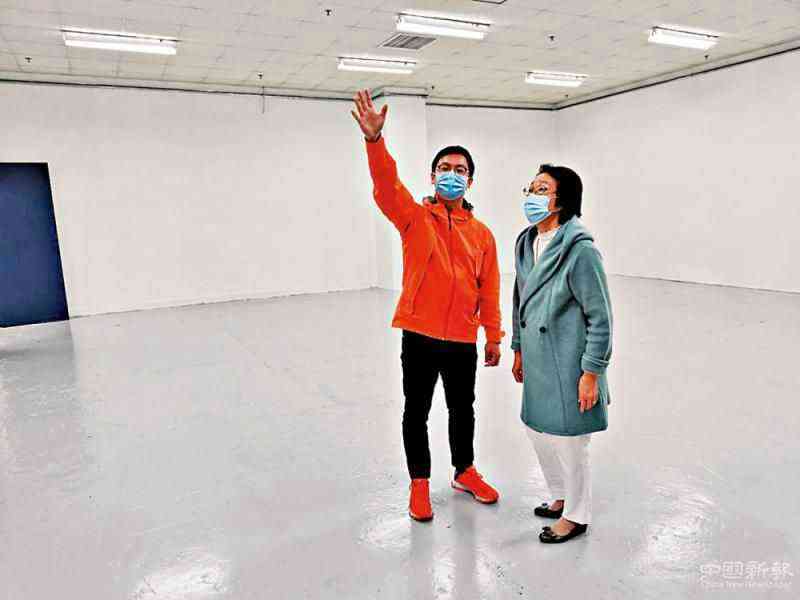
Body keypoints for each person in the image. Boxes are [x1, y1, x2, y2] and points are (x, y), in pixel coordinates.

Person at [351, 89, 504, 522]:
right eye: (445, 168)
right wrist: (374, 141)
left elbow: (489, 289)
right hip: (419, 333)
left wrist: (493, 336)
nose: (452, 175)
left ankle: (464, 471)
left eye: (460, 170)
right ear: (433, 176)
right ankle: (419, 483)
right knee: (415, 410)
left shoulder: (482, 235)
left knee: (462, 408)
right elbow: (386, 187)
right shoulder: (414, 218)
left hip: (461, 338)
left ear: (470, 181)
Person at [511, 165, 613, 543]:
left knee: (571, 439)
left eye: (541, 189)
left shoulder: (581, 250)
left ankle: (576, 515)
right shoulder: (526, 242)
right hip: (537, 354)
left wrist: (592, 373)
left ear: (561, 200)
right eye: (530, 188)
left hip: (570, 359)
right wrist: (518, 348)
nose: (531, 196)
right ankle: (560, 495)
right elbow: (520, 298)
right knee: (536, 428)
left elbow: (600, 316)